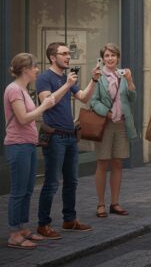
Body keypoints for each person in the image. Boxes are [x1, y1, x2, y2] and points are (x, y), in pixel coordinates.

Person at [35, 42, 100, 238]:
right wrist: (67, 85)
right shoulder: (44, 78)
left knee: (71, 181)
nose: (68, 56)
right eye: (64, 53)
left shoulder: (65, 78)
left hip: (70, 137)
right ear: (53, 58)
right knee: (52, 182)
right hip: (54, 137)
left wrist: (93, 80)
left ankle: (69, 220)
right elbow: (48, 101)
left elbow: (82, 97)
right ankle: (43, 224)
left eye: (69, 53)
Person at [4, 53, 56, 249]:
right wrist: (44, 106)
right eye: (35, 67)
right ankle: (14, 233)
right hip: (18, 146)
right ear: (25, 69)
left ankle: (22, 228)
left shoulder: (23, 89)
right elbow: (24, 118)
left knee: (27, 190)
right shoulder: (14, 90)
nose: (37, 70)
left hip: (28, 145)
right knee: (18, 191)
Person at [89, 44, 137, 218]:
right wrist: (106, 112)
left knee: (118, 164)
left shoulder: (123, 76)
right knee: (102, 163)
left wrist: (130, 80)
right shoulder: (98, 77)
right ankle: (100, 204)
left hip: (122, 125)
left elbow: (133, 98)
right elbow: (92, 102)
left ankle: (115, 203)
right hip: (105, 125)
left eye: (113, 55)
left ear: (118, 57)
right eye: (107, 56)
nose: (110, 59)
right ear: (103, 58)